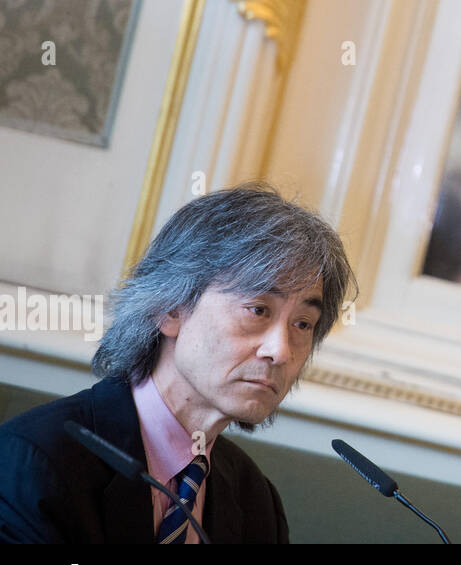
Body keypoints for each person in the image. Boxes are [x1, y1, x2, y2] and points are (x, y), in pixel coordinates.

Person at [0, 184, 355, 544]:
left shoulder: (256, 500)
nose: (280, 351)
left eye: (302, 324)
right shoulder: (37, 461)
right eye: (258, 310)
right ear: (170, 309)